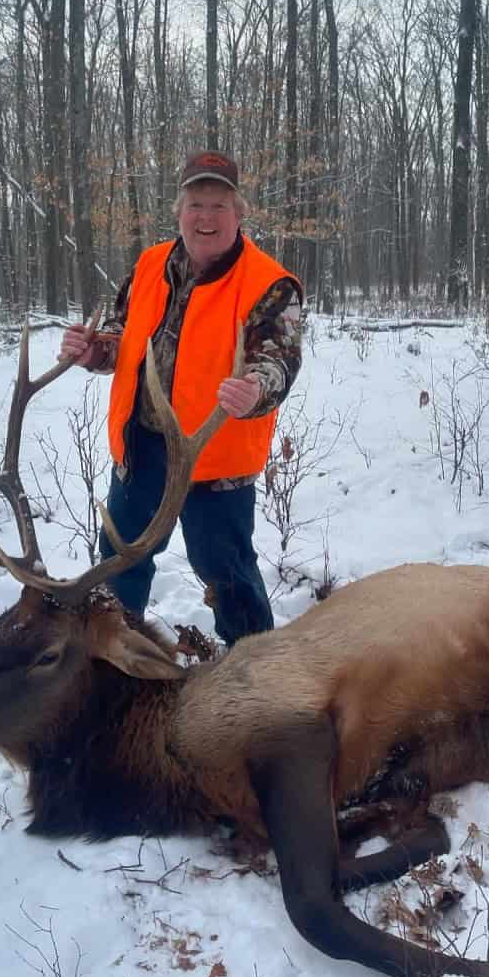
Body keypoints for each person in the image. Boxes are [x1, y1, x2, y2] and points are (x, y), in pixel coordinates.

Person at [60, 149, 302, 646]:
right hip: (144, 446)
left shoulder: (268, 283)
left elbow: (278, 360)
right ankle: (112, 664)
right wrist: (92, 351)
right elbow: (120, 336)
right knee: (118, 566)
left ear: (239, 213)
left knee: (226, 571)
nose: (205, 218)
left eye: (219, 206)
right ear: (179, 211)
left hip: (215, 458)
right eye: (195, 204)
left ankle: (255, 671)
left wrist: (255, 388)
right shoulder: (151, 265)